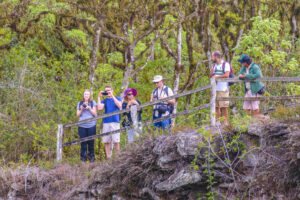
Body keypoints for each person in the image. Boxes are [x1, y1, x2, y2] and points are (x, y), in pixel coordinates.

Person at [97, 85, 122, 159]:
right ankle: (108, 157)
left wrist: (112, 96)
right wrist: (99, 97)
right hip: (106, 122)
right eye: (106, 91)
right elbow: (99, 108)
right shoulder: (104, 100)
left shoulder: (117, 98)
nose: (107, 92)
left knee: (116, 140)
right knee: (106, 141)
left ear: (112, 90)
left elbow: (119, 105)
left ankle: (118, 157)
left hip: (115, 121)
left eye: (109, 90)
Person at [209, 51, 230, 126]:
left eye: (212, 57)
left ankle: (225, 122)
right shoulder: (213, 66)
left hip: (223, 88)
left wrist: (216, 77)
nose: (211, 58)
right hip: (215, 89)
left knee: (224, 106)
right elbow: (211, 76)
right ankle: (217, 122)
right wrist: (212, 72)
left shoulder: (225, 64)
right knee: (216, 106)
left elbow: (227, 75)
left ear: (216, 57)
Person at [76, 89, 97, 162]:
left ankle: (92, 159)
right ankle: (83, 160)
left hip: (91, 125)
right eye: (85, 94)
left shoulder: (92, 102)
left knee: (91, 142)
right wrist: (81, 109)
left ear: (90, 95)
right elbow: (78, 115)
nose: (86, 95)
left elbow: (95, 114)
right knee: (83, 143)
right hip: (82, 126)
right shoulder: (79, 103)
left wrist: (89, 108)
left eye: (88, 94)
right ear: (83, 95)